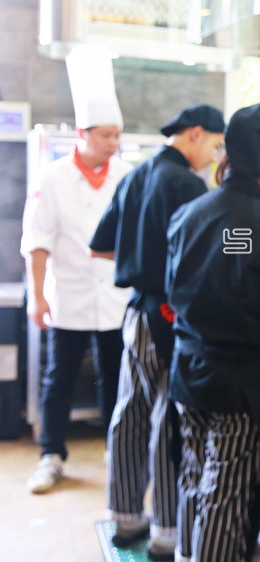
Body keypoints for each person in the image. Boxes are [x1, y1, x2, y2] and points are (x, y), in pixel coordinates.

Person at [165, 103, 260, 562]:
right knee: (224, 497)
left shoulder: (188, 214)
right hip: (242, 387)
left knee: (194, 478)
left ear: (226, 152)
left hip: (188, 370)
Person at [89, 104, 225, 561]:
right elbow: (202, 259)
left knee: (129, 413)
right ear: (195, 133)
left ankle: (125, 518)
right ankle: (167, 532)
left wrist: (140, 260)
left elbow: (100, 246)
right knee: (168, 417)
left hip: (135, 314)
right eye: (215, 145)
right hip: (168, 316)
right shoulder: (186, 184)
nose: (214, 156)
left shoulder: (133, 177)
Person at [21, 67, 133, 493]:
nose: (113, 143)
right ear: (83, 134)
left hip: (116, 297)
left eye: (117, 135)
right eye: (106, 135)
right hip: (67, 295)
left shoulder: (125, 175)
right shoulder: (52, 178)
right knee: (60, 378)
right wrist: (37, 296)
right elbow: (37, 241)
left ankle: (116, 450)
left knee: (116, 377)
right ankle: (51, 455)